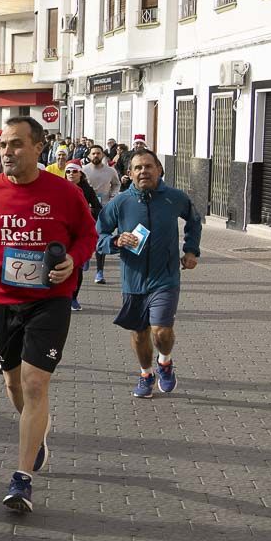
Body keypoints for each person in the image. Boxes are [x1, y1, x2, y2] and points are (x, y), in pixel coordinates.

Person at [0, 116, 97, 513]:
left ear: (38, 147)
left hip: (51, 299)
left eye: (16, 144)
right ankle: (38, 431)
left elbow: (88, 235)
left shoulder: (65, 192)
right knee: (13, 386)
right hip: (3, 300)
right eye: (3, 145)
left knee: (35, 385)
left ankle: (21, 479)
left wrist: (74, 259)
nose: (7, 151)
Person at [96, 151, 202, 399]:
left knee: (161, 331)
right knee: (139, 333)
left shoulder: (174, 198)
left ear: (159, 169)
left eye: (148, 166)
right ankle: (146, 374)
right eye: (137, 168)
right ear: (129, 173)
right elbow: (98, 235)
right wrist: (116, 240)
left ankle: (165, 362)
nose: (143, 171)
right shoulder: (121, 202)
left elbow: (194, 221)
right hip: (132, 280)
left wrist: (191, 250)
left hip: (165, 278)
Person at [62, 159, 102, 312]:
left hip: (79, 232)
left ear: (81, 173)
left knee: (76, 267)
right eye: (68, 171)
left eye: (74, 171)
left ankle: (73, 298)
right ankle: (60, 296)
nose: (71, 174)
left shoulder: (87, 189)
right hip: (62, 231)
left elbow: (97, 208)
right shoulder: (60, 187)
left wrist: (89, 211)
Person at [82, 145, 121, 284]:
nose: (96, 156)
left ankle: (99, 272)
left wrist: (112, 196)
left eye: (98, 153)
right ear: (89, 156)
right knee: (86, 235)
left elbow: (117, 184)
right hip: (87, 209)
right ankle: (85, 256)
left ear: (102, 155)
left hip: (104, 208)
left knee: (101, 237)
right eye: (93, 153)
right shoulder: (84, 170)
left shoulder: (110, 171)